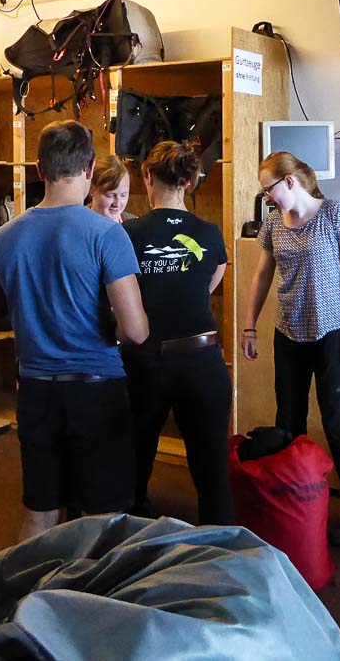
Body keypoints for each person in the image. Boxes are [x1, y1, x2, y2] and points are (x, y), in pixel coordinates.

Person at [0, 120, 148, 542]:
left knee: (40, 512)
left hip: (35, 389)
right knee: (102, 516)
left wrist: (36, 315)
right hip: (96, 390)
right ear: (90, 169)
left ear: (40, 169)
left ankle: (29, 586)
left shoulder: (2, 238)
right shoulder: (108, 234)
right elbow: (136, 331)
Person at [241, 150, 340, 547]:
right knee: (289, 425)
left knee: (338, 426)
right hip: (289, 335)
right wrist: (249, 326)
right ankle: (295, 512)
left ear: (289, 181)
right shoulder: (272, 224)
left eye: (268, 189)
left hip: (332, 333)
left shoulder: (334, 214)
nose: (266, 197)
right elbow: (261, 276)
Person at [122, 140, 233, 525]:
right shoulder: (210, 233)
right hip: (203, 362)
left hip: (145, 362)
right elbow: (207, 287)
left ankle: (133, 544)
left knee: (134, 465)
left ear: (146, 177)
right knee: (212, 473)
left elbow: (122, 296)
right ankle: (219, 551)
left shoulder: (128, 233)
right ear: (189, 181)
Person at [88, 154, 134, 222]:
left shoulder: (135, 224)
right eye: (110, 195)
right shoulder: (78, 224)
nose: (117, 203)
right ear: (92, 189)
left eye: (123, 195)